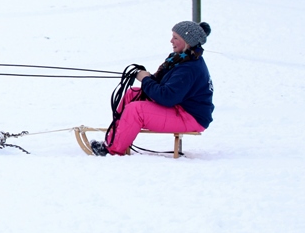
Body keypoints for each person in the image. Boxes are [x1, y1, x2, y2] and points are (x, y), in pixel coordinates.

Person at [91, 21, 214, 156]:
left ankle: (113, 151)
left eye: (176, 37)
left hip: (190, 117)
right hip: (180, 107)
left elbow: (167, 97)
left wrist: (145, 80)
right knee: (133, 94)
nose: (171, 41)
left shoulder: (189, 68)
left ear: (187, 42)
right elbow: (166, 86)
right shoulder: (180, 60)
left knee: (136, 110)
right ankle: (113, 142)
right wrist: (149, 78)